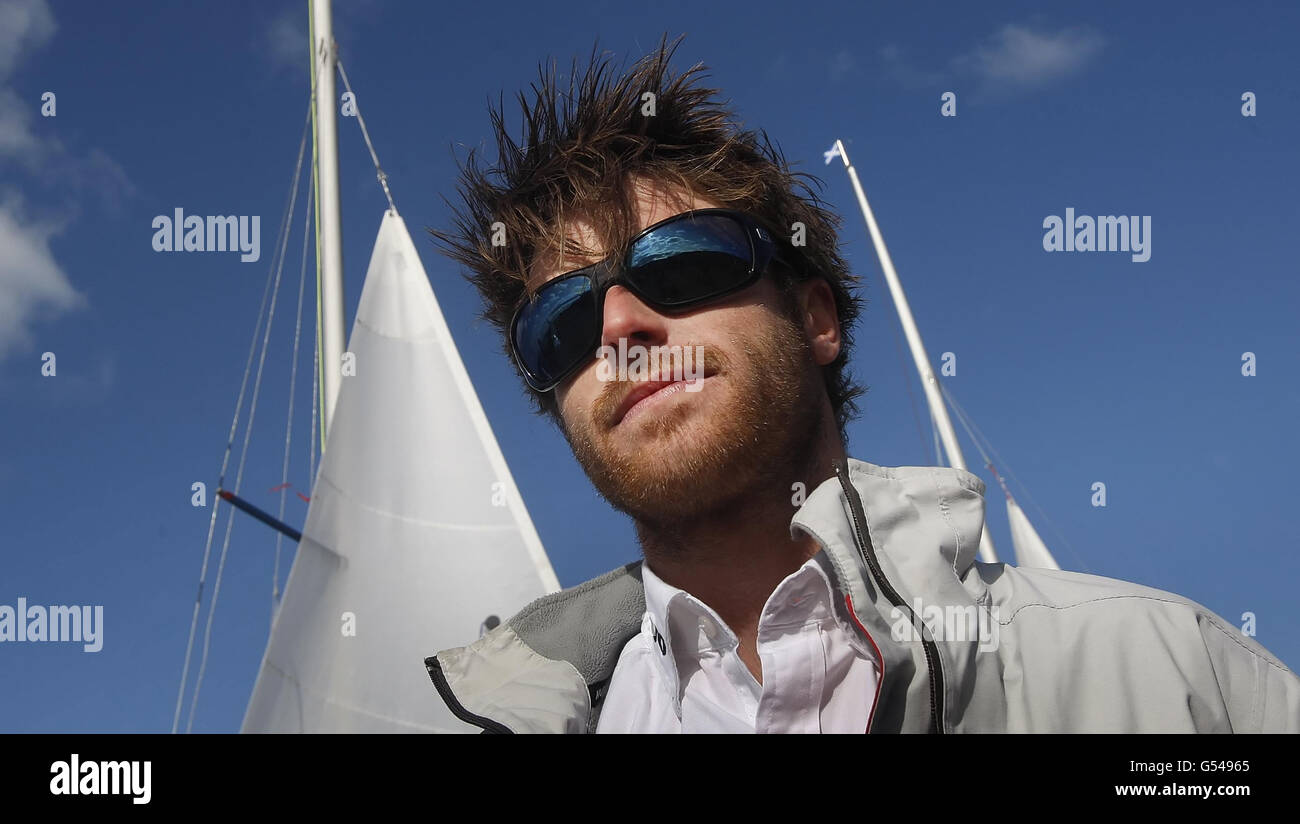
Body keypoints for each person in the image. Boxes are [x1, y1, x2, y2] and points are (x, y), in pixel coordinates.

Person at [424, 35, 1300, 733]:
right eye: (563, 325)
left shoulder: (1178, 681)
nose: (618, 329)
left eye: (682, 265)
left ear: (815, 319)